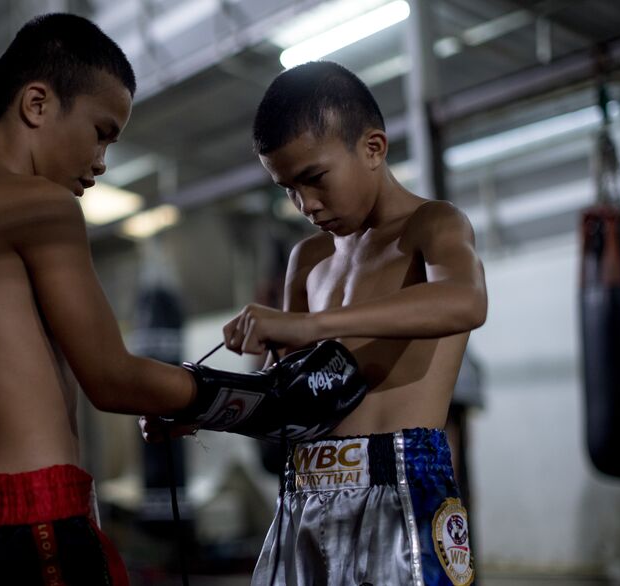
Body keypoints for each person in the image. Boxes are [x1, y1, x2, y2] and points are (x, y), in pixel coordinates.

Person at [144, 61, 487, 586]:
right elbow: (288, 398)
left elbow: (465, 301)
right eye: (288, 189)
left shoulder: (433, 224)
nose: (306, 204)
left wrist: (310, 325)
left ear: (373, 148)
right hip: (303, 491)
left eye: (315, 179)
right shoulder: (306, 258)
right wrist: (204, 405)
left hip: (398, 485)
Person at [0, 14, 200, 585]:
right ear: (36, 104)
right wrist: (233, 397)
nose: (101, 162)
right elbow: (111, 378)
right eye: (101, 132)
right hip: (30, 525)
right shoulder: (43, 205)